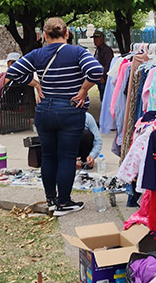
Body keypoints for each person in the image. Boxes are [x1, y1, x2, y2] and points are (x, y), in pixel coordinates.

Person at [6, 17, 103, 217]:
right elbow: (96, 70)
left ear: (44, 35)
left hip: (44, 111)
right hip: (69, 110)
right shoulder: (77, 52)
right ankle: (64, 202)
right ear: (67, 34)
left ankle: (51, 199)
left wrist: (36, 84)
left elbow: (13, 71)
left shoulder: (37, 54)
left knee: (48, 156)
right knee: (66, 157)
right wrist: (84, 90)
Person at [92, 30, 114, 100]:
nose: (94, 41)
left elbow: (108, 65)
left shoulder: (106, 50)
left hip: (104, 79)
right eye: (94, 39)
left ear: (102, 39)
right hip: (99, 77)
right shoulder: (98, 49)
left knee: (105, 97)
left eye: (96, 39)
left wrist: (103, 77)